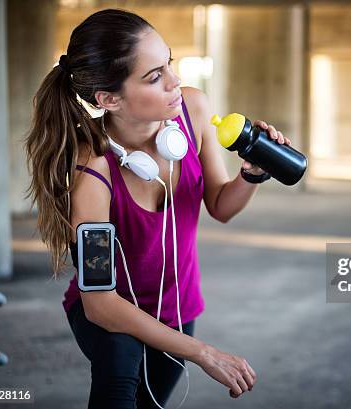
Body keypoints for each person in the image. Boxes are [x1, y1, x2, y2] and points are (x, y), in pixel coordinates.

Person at [24, 8, 291, 408]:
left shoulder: (193, 111)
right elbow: (100, 301)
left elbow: (220, 205)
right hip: (112, 315)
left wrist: (251, 174)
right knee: (120, 371)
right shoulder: (92, 173)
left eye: (169, 62)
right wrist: (203, 352)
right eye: (154, 77)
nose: (175, 81)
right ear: (109, 99)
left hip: (177, 309)